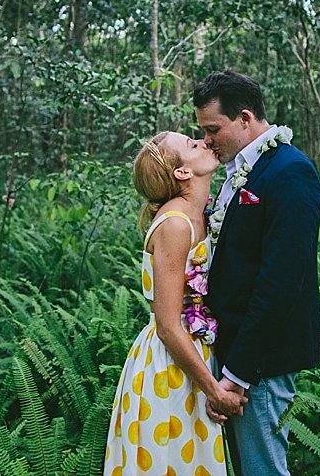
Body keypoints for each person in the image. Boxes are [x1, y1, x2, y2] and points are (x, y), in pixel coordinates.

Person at [194, 70, 320, 476]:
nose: (206, 140)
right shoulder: (236, 169)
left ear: (245, 118)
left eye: (213, 128)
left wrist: (238, 374)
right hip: (229, 346)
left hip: (260, 360)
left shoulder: (289, 171)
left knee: (262, 470)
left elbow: (282, 282)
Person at [103, 131, 247, 476]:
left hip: (195, 353)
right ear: (182, 172)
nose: (202, 142)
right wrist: (213, 390)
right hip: (171, 366)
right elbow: (168, 324)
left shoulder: (201, 214)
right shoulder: (175, 225)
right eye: (191, 144)